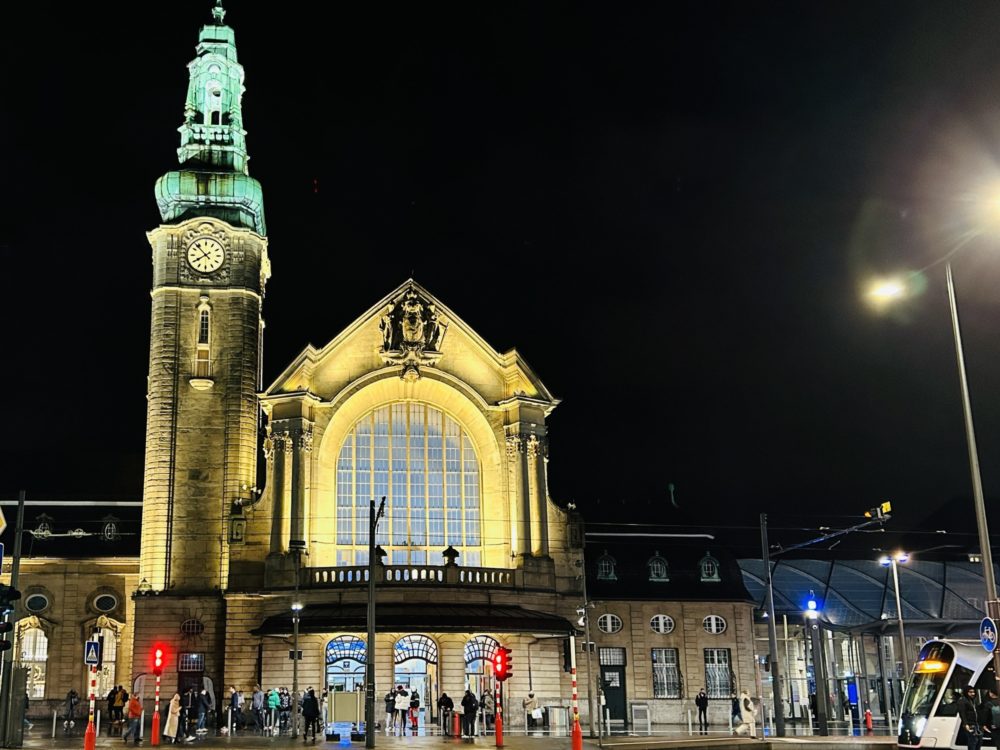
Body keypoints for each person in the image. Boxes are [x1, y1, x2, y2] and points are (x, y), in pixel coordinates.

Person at [959, 685, 982, 750]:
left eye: (973, 692)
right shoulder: (962, 700)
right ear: (966, 692)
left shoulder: (972, 700)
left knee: (978, 742)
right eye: (970, 692)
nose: (973, 694)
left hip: (976, 724)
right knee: (973, 742)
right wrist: (965, 724)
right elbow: (962, 713)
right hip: (970, 724)